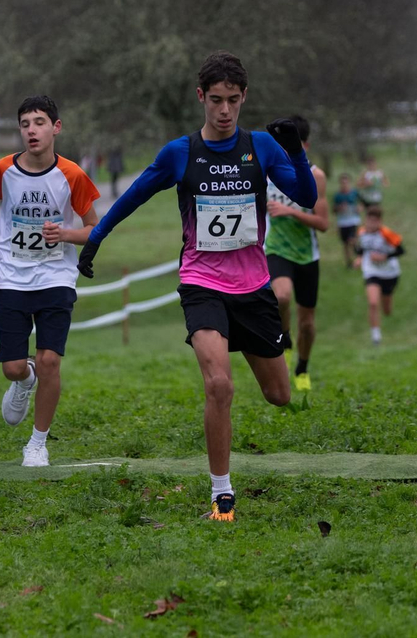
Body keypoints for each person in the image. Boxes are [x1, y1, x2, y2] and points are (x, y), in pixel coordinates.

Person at [78, 51, 315, 522]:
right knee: (220, 384)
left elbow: (306, 197)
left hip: (254, 288)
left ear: (244, 97)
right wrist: (94, 242)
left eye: (233, 100)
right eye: (216, 101)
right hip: (201, 283)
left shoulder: (262, 147)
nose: (224, 111)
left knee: (280, 396)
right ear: (200, 97)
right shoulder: (180, 153)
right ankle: (222, 493)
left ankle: (268, 369)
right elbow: (131, 198)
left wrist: (296, 152)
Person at [0, 95, 100, 468]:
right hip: (11, 275)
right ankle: (23, 380)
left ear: (56, 127)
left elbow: (94, 228)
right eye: (26, 123)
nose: (32, 130)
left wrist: (65, 234)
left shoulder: (71, 175)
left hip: (55, 276)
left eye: (40, 122)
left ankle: (37, 443)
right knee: (14, 366)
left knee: (49, 360)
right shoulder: (3, 170)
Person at [263, 115, 328, 392]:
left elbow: (323, 224)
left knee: (309, 325)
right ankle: (285, 338)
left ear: (306, 146)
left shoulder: (316, 177)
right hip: (276, 248)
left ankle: (302, 366)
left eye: (294, 146)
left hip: (307, 255)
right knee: (281, 296)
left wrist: (290, 211)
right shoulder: (267, 174)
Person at [356, 206, 403, 345]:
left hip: (390, 273)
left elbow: (401, 250)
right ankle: (376, 336)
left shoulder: (386, 233)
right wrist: (358, 258)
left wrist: (385, 256)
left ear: (380, 221)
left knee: (387, 310)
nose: (371, 224)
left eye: (375, 221)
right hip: (372, 271)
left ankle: (387, 300)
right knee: (373, 302)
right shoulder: (362, 232)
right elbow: (361, 249)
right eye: (369, 220)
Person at [331, 173, 362, 268]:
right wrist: (339, 208)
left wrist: (359, 208)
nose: (344, 185)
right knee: (345, 243)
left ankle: (359, 256)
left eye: (346, 182)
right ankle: (348, 262)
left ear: (349, 183)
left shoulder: (354, 193)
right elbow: (333, 210)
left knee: (352, 240)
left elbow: (362, 203)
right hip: (342, 222)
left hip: (353, 220)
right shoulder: (338, 196)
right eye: (342, 183)